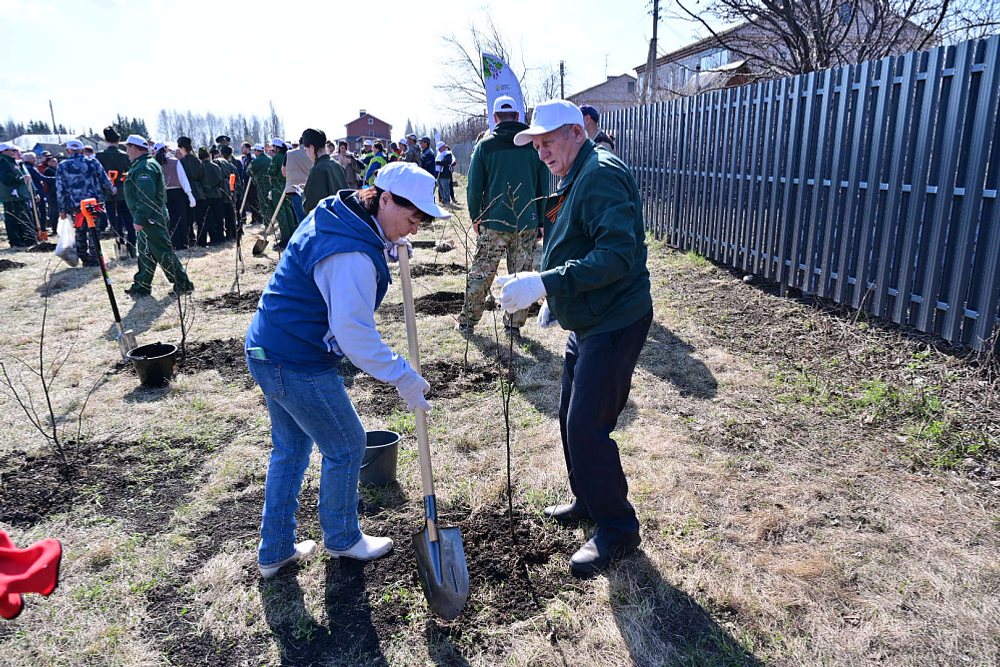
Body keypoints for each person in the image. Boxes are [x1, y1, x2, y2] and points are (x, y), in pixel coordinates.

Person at [244, 162, 449, 578]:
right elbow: (354, 335)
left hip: (268, 346)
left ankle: (275, 550)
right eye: (410, 220)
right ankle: (342, 539)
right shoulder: (350, 253)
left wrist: (385, 244)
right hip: (296, 359)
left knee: (291, 450)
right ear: (385, 199)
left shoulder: (342, 214)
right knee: (347, 445)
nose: (412, 230)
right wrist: (403, 376)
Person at [499, 100, 653, 573]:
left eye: (548, 141)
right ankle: (588, 498)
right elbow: (578, 240)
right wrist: (556, 301)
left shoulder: (600, 174)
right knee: (569, 415)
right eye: (537, 144)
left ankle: (618, 529)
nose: (541, 152)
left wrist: (548, 283)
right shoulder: (575, 172)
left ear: (575, 133)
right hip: (587, 318)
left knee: (588, 424)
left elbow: (616, 256)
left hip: (613, 319)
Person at [457, 95, 549, 338]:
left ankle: (467, 323)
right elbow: (544, 186)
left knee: (482, 274)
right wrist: (541, 221)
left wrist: (476, 216)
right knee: (520, 275)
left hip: (494, 223)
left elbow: (474, 187)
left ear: (495, 118)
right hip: (527, 223)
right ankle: (513, 326)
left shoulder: (485, 146)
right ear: (518, 117)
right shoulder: (532, 146)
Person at [121, 135, 194, 297]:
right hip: (150, 216)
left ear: (134, 147)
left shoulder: (144, 167)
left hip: (150, 217)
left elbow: (146, 196)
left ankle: (183, 284)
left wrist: (140, 219)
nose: (126, 152)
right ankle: (142, 284)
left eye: (127, 148)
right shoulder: (142, 164)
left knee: (163, 251)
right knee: (146, 252)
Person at [55, 139, 114, 266]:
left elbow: (60, 189)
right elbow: (104, 180)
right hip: (94, 204)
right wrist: (112, 189)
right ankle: (95, 258)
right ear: (83, 150)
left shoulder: (62, 165)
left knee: (80, 231)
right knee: (94, 230)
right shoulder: (93, 162)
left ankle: (84, 258)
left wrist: (62, 209)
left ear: (67, 150)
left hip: (75, 205)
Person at [96, 127, 137, 257]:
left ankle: (121, 249)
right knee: (130, 222)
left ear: (105, 140)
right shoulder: (125, 156)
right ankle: (132, 248)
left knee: (116, 224)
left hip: (108, 195)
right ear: (118, 140)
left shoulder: (99, 156)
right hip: (125, 193)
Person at [155, 144, 196, 250]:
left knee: (170, 220)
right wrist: (189, 194)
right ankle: (184, 243)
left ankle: (174, 243)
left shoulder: (155, 163)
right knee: (182, 218)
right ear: (165, 149)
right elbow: (183, 179)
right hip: (178, 192)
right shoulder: (174, 161)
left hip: (163, 194)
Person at [301, 128, 349, 214]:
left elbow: (311, 206)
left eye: (306, 150)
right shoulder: (336, 165)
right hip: (342, 219)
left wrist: (303, 194)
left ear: (312, 148)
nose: (307, 154)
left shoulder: (318, 169)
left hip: (327, 221)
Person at [0, 142, 36, 248]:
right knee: (18, 219)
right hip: (12, 196)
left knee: (19, 218)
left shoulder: (10, 162)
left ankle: (23, 240)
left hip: (16, 196)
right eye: (11, 150)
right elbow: (7, 179)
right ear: (4, 151)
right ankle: (21, 240)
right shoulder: (3, 162)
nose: (13, 152)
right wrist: (22, 179)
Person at [177, 137, 204, 247]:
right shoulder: (197, 160)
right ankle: (202, 240)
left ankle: (191, 239)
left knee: (188, 219)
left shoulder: (181, 162)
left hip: (187, 192)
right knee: (201, 218)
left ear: (182, 148)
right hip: (200, 191)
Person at [283, 134, 314, 223]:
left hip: (295, 190)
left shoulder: (289, 154)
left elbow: (284, 173)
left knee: (301, 220)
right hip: (311, 189)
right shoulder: (313, 154)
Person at [197, 148, 225, 246]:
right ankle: (221, 236)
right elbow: (220, 179)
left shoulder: (200, 167)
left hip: (206, 196)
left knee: (209, 218)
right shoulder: (216, 166)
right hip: (217, 194)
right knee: (219, 217)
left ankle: (213, 238)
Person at [216, 145, 241, 240]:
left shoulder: (219, 163)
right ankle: (235, 232)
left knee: (226, 214)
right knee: (233, 214)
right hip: (233, 192)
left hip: (224, 192)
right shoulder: (233, 165)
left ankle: (230, 233)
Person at [249, 143, 274, 226]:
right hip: (271, 184)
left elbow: (248, 171)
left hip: (261, 185)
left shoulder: (256, 161)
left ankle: (267, 224)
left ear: (256, 151)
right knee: (271, 204)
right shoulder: (270, 158)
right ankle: (273, 222)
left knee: (264, 205)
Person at [241, 142, 261, 225]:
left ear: (247, 148)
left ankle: (257, 218)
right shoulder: (245, 159)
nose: (242, 149)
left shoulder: (251, 158)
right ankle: (254, 217)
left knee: (254, 201)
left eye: (243, 148)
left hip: (252, 184)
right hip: (246, 183)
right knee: (250, 201)